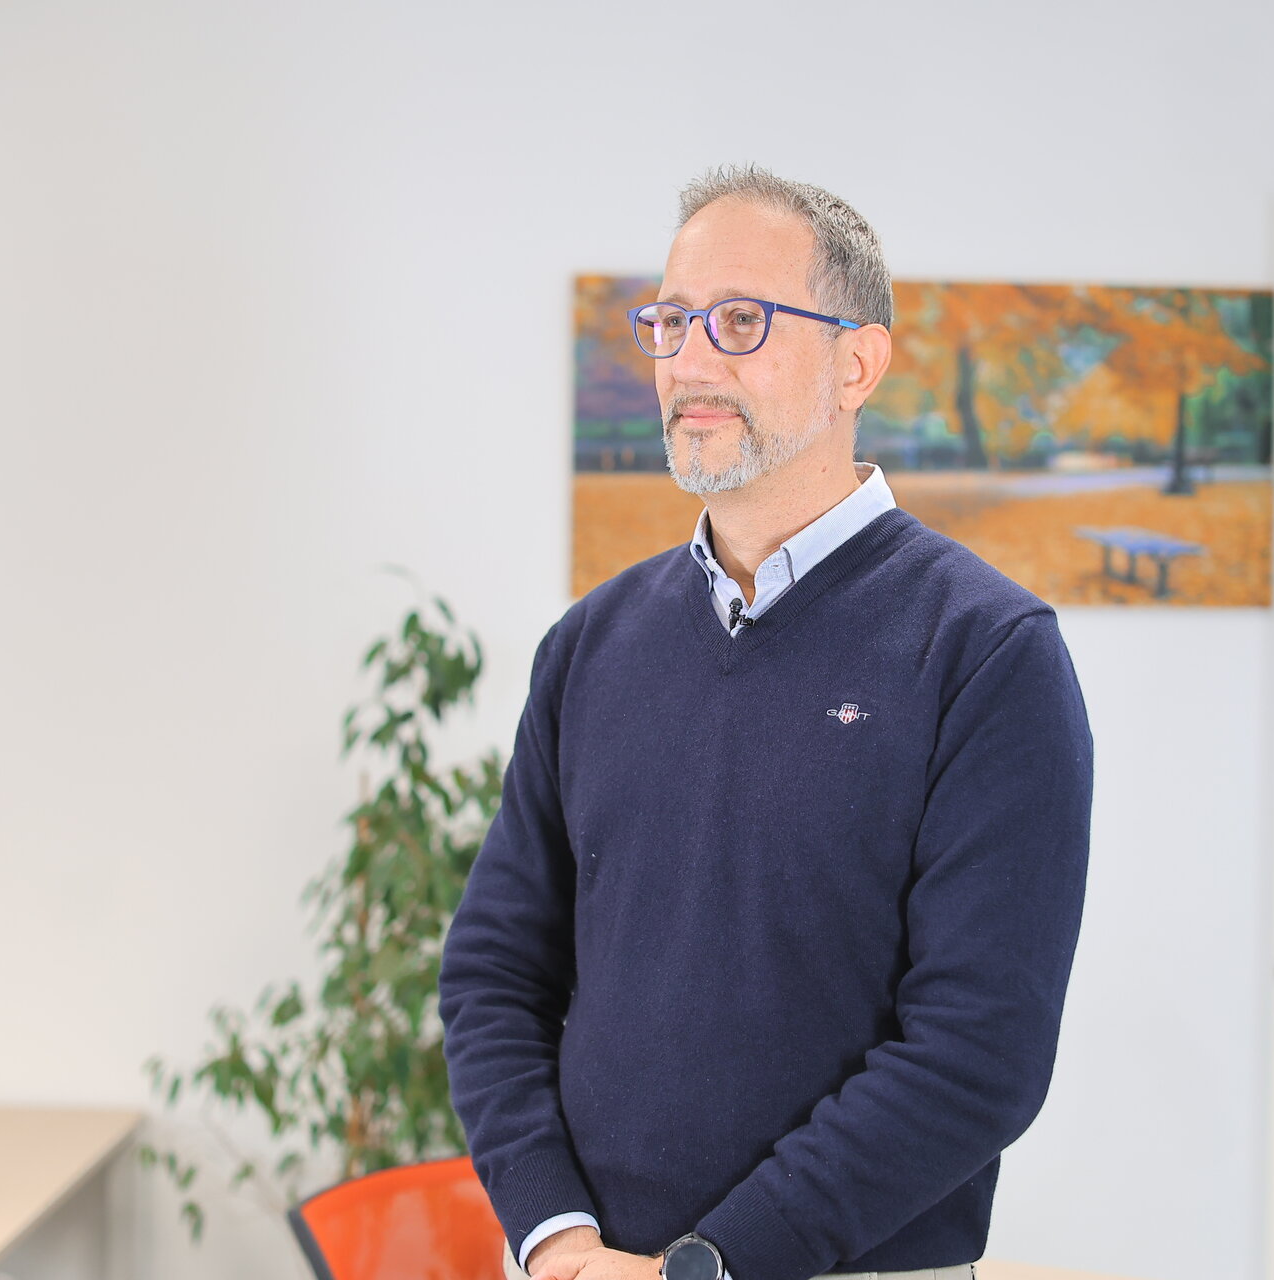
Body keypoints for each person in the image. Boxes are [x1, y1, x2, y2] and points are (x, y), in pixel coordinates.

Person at [438, 165, 1093, 1280]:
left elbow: (978, 1051)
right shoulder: (590, 645)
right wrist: (553, 1235)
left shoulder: (987, 653)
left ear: (857, 363)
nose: (690, 359)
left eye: (741, 321)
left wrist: (712, 1265)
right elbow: (493, 972)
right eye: (672, 321)